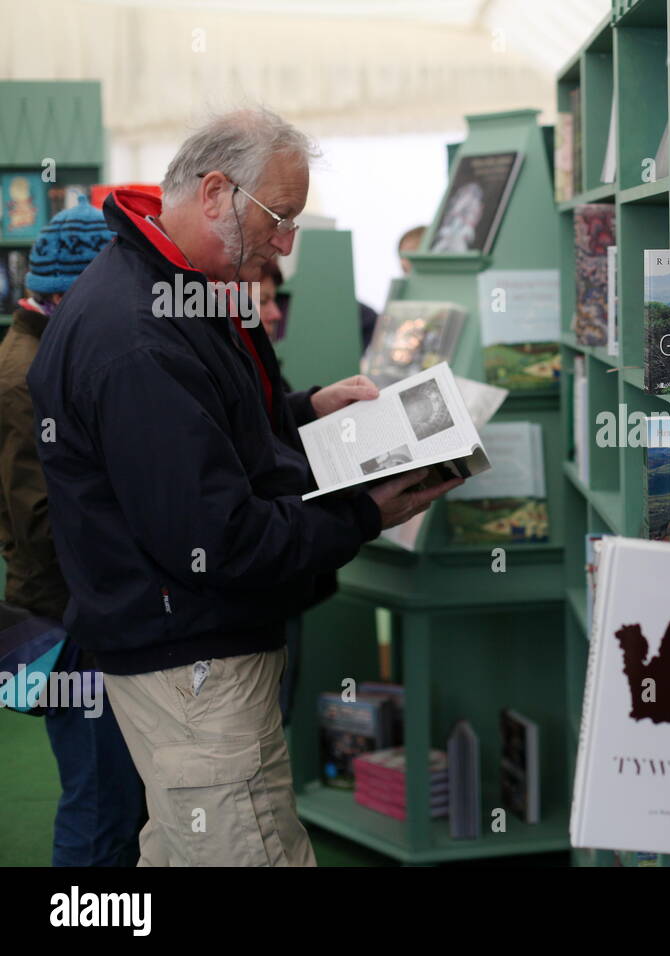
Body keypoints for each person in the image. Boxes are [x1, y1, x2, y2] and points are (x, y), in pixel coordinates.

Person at [28, 108, 461, 867]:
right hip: (193, 659)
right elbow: (217, 538)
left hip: (182, 650)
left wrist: (303, 411)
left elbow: (208, 435)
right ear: (217, 192)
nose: (287, 244)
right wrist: (362, 511)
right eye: (280, 218)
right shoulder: (138, 334)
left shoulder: (171, 286)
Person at [0, 195, 145, 866]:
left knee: (111, 798)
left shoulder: (40, 353)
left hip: (72, 615)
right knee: (99, 805)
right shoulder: (27, 375)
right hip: (69, 624)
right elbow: (40, 522)